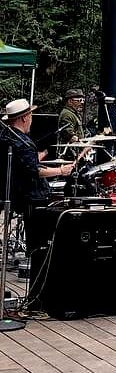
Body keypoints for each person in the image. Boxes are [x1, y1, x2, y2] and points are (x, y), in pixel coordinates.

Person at [0, 99, 76, 258]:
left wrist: (38, 157)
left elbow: (23, 163)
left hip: (14, 190)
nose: (32, 119)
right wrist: (61, 170)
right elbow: (34, 171)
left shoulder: (6, 136)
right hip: (30, 195)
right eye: (31, 115)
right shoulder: (23, 143)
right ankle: (38, 258)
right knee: (39, 235)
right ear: (24, 117)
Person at [56, 88, 86, 153]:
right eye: (79, 100)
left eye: (83, 100)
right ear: (70, 101)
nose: (82, 103)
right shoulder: (67, 114)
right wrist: (84, 146)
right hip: (69, 153)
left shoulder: (74, 114)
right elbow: (69, 135)